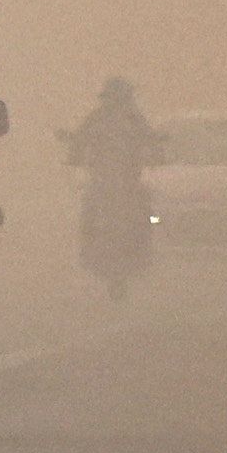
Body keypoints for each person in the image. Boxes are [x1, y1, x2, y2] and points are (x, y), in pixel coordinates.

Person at [64, 78, 163, 298]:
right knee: (97, 208)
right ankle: (145, 230)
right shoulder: (127, 118)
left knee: (148, 212)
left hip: (121, 182)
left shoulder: (116, 118)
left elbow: (79, 141)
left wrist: (74, 156)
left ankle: (150, 228)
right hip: (114, 182)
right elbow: (79, 141)